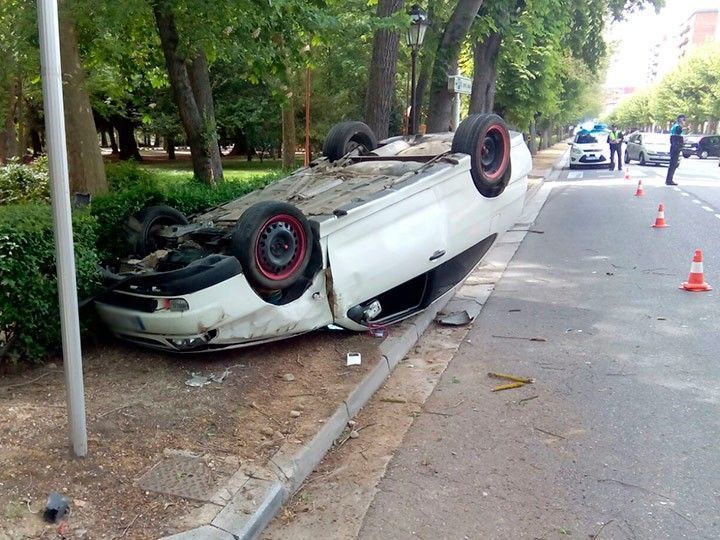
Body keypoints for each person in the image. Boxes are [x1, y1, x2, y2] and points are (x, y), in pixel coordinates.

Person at [665, 114, 686, 186]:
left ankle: (669, 179)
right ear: (680, 120)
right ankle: (669, 180)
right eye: (683, 120)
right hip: (676, 148)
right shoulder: (678, 127)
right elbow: (679, 133)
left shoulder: (675, 126)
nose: (684, 122)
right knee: (673, 164)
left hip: (674, 147)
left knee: (673, 164)